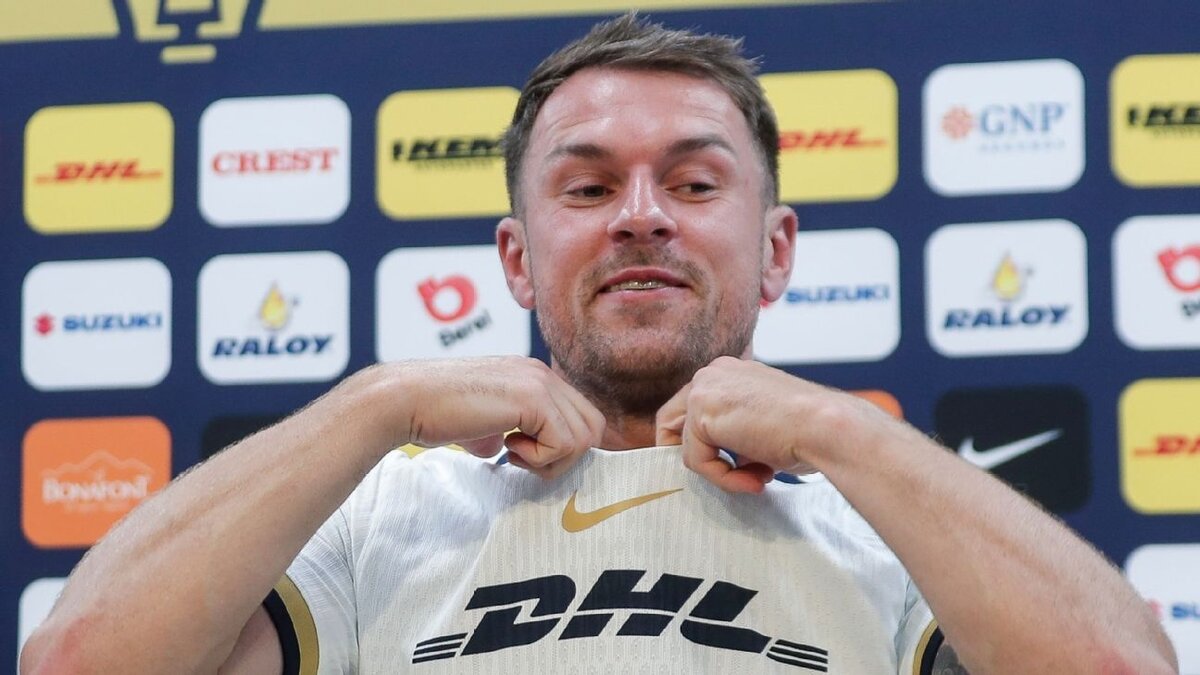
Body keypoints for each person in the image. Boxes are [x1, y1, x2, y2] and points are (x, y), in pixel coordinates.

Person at [21, 13, 1176, 675]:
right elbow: (78, 661)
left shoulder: (885, 518)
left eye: (694, 183)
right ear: (518, 259)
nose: (641, 217)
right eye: (587, 187)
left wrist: (840, 430)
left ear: (776, 250)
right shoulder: (380, 513)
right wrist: (376, 403)